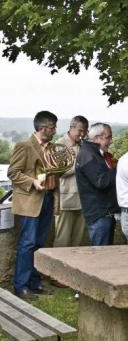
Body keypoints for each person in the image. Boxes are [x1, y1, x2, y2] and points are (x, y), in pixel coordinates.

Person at [8, 111, 59, 300]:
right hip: (30, 201)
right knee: (27, 244)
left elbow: (54, 170)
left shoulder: (53, 147)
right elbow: (13, 173)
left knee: (39, 244)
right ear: (43, 127)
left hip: (47, 199)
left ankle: (34, 283)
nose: (55, 131)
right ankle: (20, 286)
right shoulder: (25, 146)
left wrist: (56, 176)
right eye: (53, 127)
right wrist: (32, 182)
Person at [75, 123, 119, 246]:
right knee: (100, 255)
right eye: (108, 137)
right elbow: (101, 182)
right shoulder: (88, 155)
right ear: (97, 138)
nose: (111, 141)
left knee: (106, 254)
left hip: (105, 212)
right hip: (99, 215)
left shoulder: (95, 153)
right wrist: (118, 169)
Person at [53, 116, 89, 249]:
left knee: (77, 242)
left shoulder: (83, 145)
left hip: (82, 200)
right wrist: (80, 164)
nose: (82, 134)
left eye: (84, 131)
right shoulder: (60, 145)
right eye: (80, 130)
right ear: (71, 128)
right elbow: (60, 171)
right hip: (66, 201)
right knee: (62, 240)